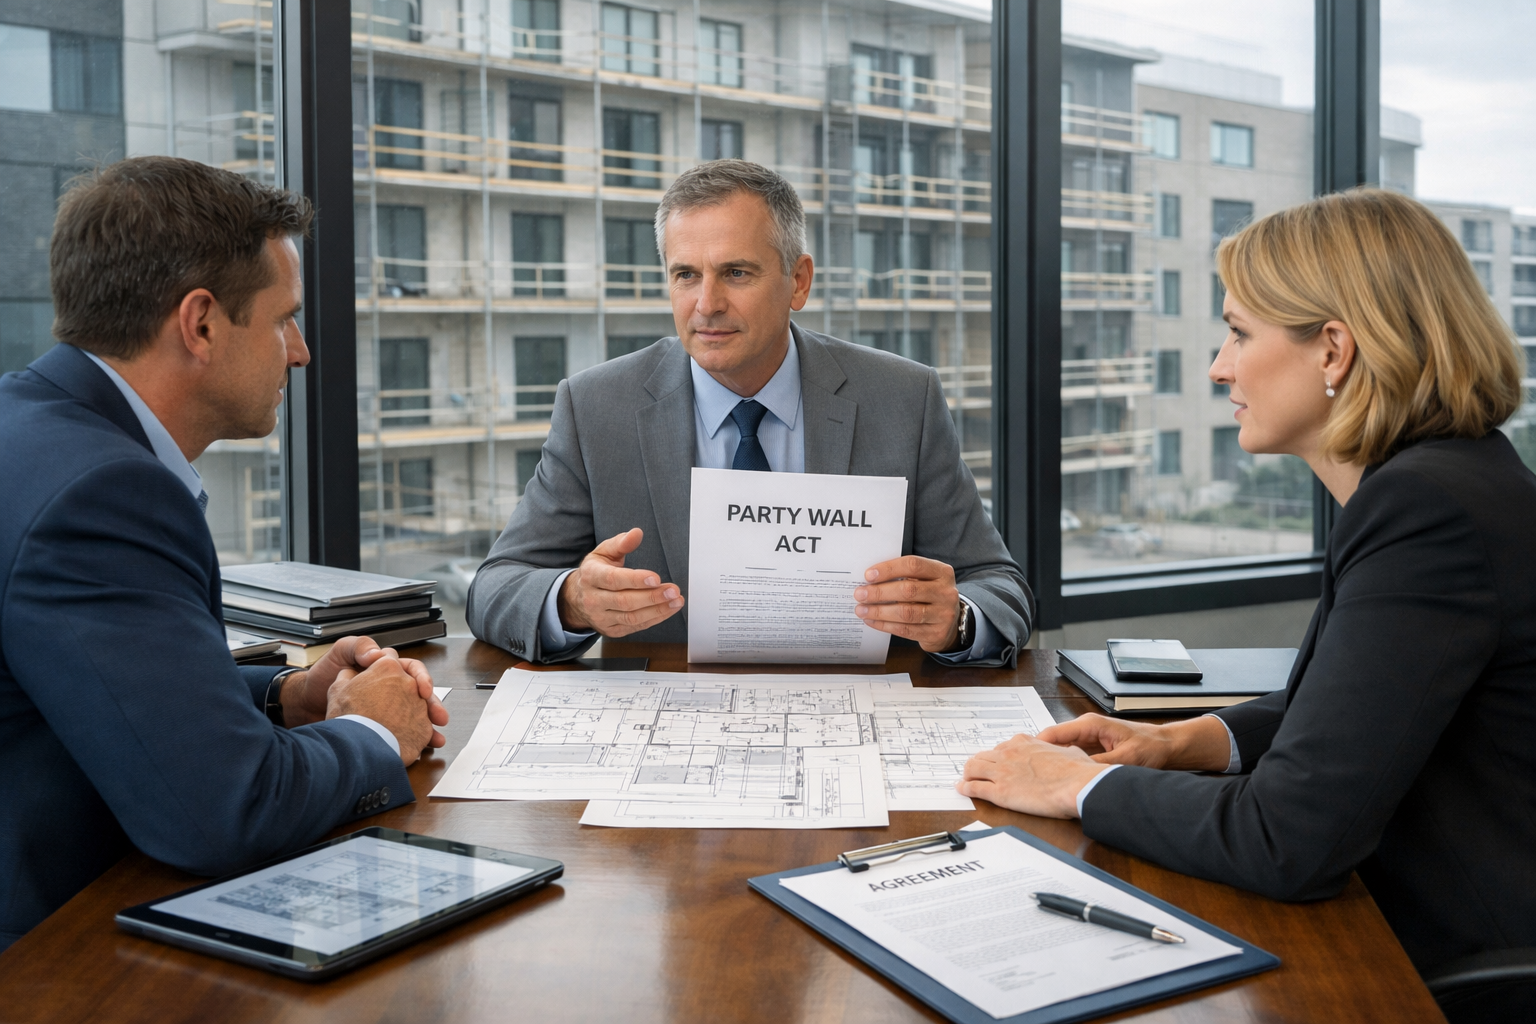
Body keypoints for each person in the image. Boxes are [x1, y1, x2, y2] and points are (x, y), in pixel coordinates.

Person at [957, 187, 1535, 972]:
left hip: (1456, 965)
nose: (1218, 367)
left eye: (1237, 334)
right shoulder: (1458, 478)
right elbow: (1358, 705)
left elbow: (1287, 840)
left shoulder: (1421, 507)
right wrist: (1182, 743)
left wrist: (1072, 788)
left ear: (1333, 350)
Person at [0, 157, 449, 951]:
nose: (301, 352)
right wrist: (376, 733)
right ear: (201, 323)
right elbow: (224, 812)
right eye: (284, 320)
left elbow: (97, 681)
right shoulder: (102, 495)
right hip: (52, 952)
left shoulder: (30, 426)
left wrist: (289, 696)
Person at [468, 160, 1031, 665]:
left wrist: (955, 617)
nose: (706, 304)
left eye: (736, 273)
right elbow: (495, 587)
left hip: (862, 718)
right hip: (669, 723)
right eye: (686, 274)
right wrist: (574, 601)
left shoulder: (904, 398)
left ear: (799, 282)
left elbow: (998, 585)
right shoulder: (596, 407)